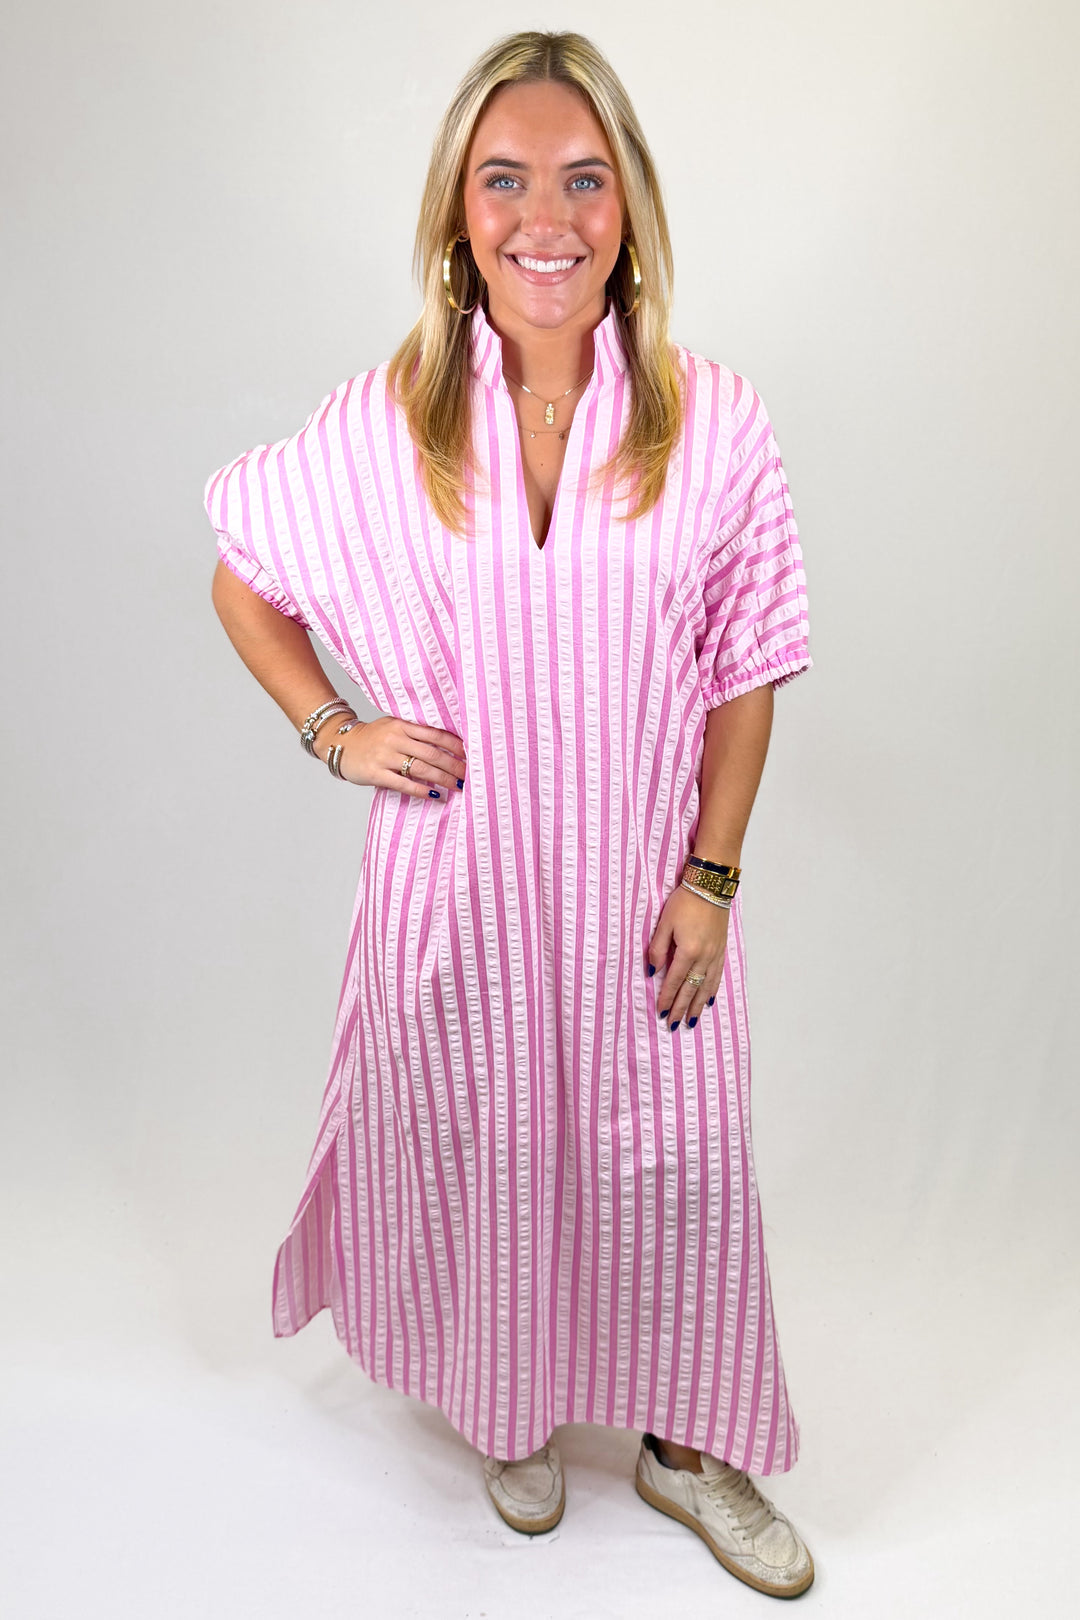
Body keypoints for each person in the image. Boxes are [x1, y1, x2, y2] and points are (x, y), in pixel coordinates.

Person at [205, 29, 815, 1600]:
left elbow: (748, 667)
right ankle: (513, 1401)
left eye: (583, 179)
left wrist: (713, 876)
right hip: (459, 889)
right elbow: (244, 572)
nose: (547, 217)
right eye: (506, 179)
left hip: (644, 891)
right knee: (493, 1145)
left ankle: (688, 1443)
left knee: (678, 1157)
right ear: (458, 214)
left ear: (630, 208)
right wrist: (335, 731)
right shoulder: (392, 418)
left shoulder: (715, 419)